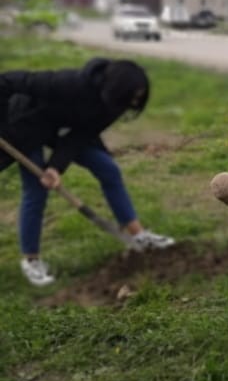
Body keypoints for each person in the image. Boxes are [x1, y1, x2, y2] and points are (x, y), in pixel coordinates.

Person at [0, 58, 175, 287]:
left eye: (138, 98)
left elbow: (80, 136)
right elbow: (7, 81)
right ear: (115, 87)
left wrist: (55, 166)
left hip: (63, 130)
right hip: (27, 124)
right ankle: (31, 259)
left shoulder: (113, 104)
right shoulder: (66, 83)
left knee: (108, 169)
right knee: (36, 188)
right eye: (132, 97)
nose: (134, 102)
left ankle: (138, 235)